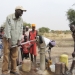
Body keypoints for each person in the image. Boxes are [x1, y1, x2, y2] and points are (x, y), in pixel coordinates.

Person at [2, 6, 27, 75]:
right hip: (7, 39)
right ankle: (4, 71)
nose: (22, 13)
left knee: (14, 56)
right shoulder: (9, 17)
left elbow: (21, 30)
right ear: (17, 10)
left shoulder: (21, 19)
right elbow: (7, 29)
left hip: (16, 40)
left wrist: (19, 40)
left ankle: (13, 70)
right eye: (21, 11)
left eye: (23, 11)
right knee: (6, 55)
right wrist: (9, 41)